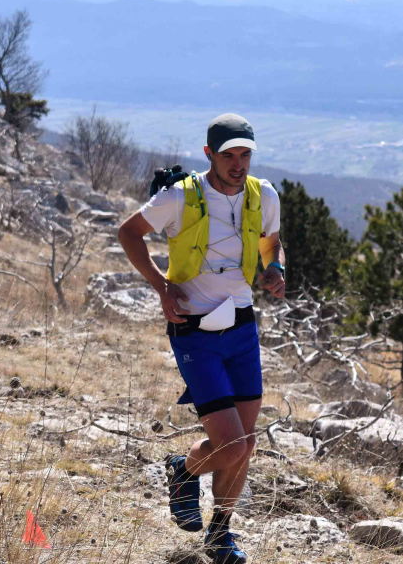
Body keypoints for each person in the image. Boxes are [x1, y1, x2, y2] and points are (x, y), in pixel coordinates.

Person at [118, 113, 284, 564]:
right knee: (234, 443)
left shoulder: (262, 195)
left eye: (244, 153)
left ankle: (220, 535)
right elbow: (129, 232)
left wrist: (274, 271)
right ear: (209, 154)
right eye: (228, 154)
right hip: (194, 330)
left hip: (242, 327)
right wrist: (161, 285)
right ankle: (183, 469)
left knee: (245, 442)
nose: (237, 163)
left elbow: (271, 241)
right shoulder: (180, 197)